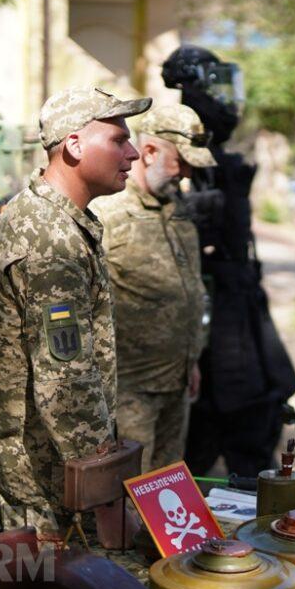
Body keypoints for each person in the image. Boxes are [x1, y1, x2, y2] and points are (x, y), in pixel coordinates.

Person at [0, 86, 150, 538]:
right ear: (74, 145)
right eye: (118, 140)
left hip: (64, 462)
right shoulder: (47, 239)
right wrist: (107, 497)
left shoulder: (60, 222)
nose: (133, 153)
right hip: (45, 470)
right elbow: (67, 381)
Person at [162, 45, 295, 477]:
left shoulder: (221, 161)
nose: (226, 101)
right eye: (214, 86)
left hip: (237, 295)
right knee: (223, 413)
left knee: (262, 401)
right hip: (207, 306)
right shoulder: (175, 150)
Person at [90, 103, 214, 474]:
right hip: (131, 391)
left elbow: (190, 287)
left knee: (169, 486)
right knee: (128, 491)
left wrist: (192, 360)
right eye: (182, 161)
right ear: (149, 152)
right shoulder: (106, 211)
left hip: (177, 381)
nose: (188, 173)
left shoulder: (176, 210)